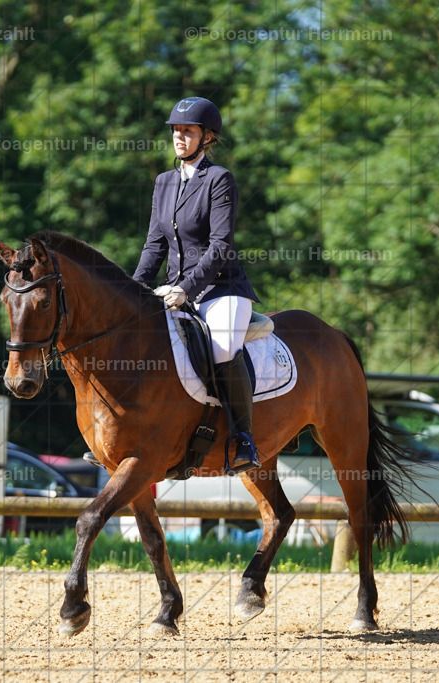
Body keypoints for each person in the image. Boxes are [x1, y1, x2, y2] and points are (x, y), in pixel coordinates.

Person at [133, 96, 260, 473]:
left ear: (206, 138)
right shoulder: (164, 182)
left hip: (222, 289)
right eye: (176, 131)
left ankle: (243, 438)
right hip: (175, 289)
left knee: (221, 347)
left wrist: (185, 288)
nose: (179, 137)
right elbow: (154, 244)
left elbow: (220, 246)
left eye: (188, 131)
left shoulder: (219, 180)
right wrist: (134, 290)